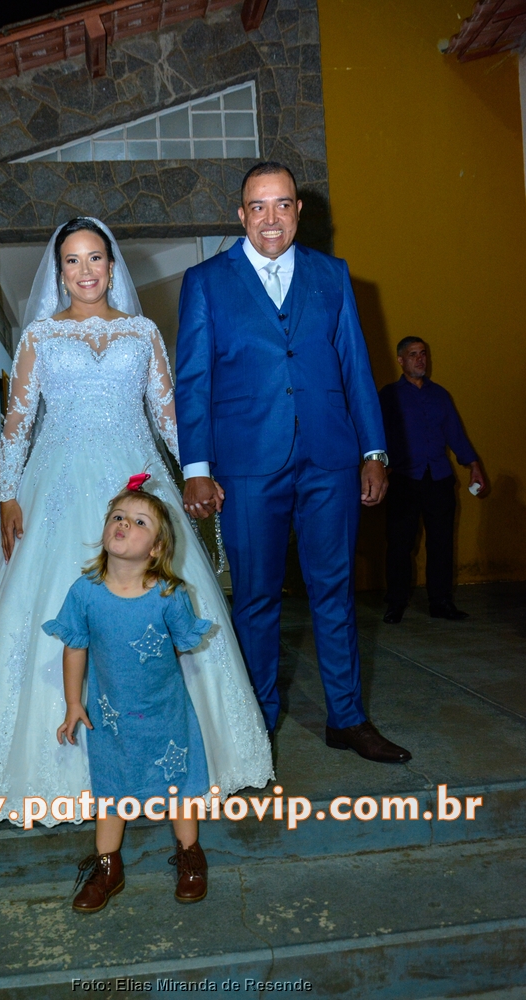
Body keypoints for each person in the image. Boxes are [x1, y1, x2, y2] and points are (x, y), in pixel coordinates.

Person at [0, 217, 272, 825]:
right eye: (72, 261)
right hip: (56, 487)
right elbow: (17, 424)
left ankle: (184, 759)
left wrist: (196, 471)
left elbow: (168, 416)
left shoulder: (143, 333)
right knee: (51, 607)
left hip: (136, 483)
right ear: (59, 273)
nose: (85, 271)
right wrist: (8, 496)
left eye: (94, 258)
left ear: (112, 267)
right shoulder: (39, 336)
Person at [175, 161, 411, 765]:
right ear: (241, 215)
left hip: (330, 457)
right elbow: (193, 380)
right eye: (258, 206)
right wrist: (196, 467)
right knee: (255, 597)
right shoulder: (205, 281)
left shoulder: (333, 275)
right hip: (247, 464)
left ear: (299, 211)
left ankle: (347, 718)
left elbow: (356, 366)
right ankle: (257, 723)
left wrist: (374, 451)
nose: (271, 218)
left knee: (335, 590)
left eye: (282, 204)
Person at [46, 481, 212, 910]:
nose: (124, 525)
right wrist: (73, 703)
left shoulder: (169, 594)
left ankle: (190, 855)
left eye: (139, 522)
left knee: (178, 782)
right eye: (118, 517)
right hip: (110, 715)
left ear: (156, 548)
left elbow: (180, 643)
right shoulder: (85, 591)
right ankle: (107, 866)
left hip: (165, 713)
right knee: (111, 785)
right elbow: (75, 647)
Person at [379, 337, 485, 623]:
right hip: (404, 479)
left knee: (441, 544)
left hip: (439, 479)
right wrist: (378, 468)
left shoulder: (440, 395)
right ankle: (396, 602)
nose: (420, 359)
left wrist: (473, 465)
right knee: (400, 544)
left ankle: (441, 602)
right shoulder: (389, 396)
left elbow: (455, 434)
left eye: (423, 353)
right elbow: (376, 434)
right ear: (401, 360)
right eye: (413, 354)